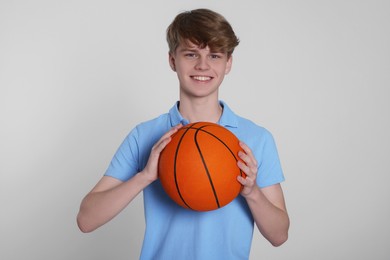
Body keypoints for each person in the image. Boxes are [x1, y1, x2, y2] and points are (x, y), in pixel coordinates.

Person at [77, 8, 289, 259]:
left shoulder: (257, 138)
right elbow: (86, 220)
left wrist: (252, 191)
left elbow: (279, 235)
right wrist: (145, 176)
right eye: (191, 54)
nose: (203, 65)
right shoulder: (145, 135)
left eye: (214, 55)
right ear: (172, 60)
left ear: (228, 63)